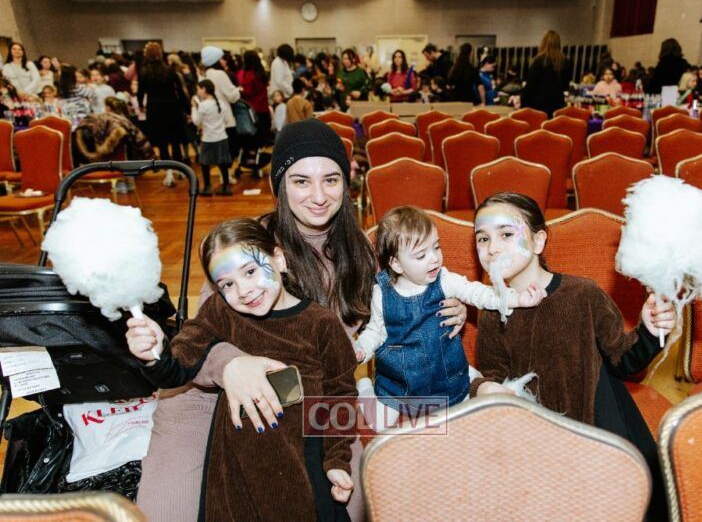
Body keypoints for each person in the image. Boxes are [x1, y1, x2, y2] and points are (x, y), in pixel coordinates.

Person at [134, 118, 470, 522]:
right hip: (210, 398)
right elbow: (202, 332)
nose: (318, 196)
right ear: (280, 186)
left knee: (350, 504)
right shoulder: (250, 248)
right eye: (301, 181)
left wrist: (446, 306)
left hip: (310, 399)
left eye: (330, 179)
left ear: (347, 183)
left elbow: (399, 303)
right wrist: (231, 365)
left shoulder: (360, 253)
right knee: (171, 513)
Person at [126, 218, 357, 521]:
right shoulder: (220, 313)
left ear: (279, 259)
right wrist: (154, 352)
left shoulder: (321, 324)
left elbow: (341, 395)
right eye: (228, 284)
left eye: (250, 271)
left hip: (304, 467)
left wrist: (337, 461)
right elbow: (176, 368)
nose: (244, 290)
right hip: (235, 475)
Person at [470, 192, 676, 520]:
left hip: (600, 435)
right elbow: (494, 375)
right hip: (537, 444)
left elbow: (625, 360)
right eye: (483, 238)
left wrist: (649, 331)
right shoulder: (493, 312)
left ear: (538, 241)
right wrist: (483, 387)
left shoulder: (583, 294)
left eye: (506, 234)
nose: (492, 248)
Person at [354, 206, 546, 424]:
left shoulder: (445, 280)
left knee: (472, 415)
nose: (434, 259)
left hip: (447, 379)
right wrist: (362, 348)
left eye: (436, 247)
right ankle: (365, 387)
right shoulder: (381, 294)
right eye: (421, 255)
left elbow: (479, 293)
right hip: (398, 385)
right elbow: (375, 331)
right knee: (379, 423)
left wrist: (515, 298)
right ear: (396, 263)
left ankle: (469, 374)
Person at [137, 41, 189, 186]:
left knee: (162, 143)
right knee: (176, 141)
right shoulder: (170, 71)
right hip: (172, 107)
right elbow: (180, 92)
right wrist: (187, 109)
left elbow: (140, 92)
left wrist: (141, 105)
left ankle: (168, 173)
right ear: (160, 54)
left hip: (155, 108)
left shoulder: (144, 72)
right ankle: (180, 170)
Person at [192, 79, 234, 196]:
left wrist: (194, 107)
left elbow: (196, 121)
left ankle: (207, 187)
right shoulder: (221, 103)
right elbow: (226, 120)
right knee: (222, 162)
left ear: (204, 89)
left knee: (205, 163)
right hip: (222, 137)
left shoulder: (203, 105)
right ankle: (226, 186)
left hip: (208, 138)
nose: (198, 91)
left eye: (199, 89)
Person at [202, 46, 240, 165]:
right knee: (228, 152)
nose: (224, 61)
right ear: (215, 60)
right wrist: (238, 90)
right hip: (225, 118)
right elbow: (232, 96)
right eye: (221, 59)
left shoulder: (204, 74)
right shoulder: (220, 74)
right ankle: (227, 173)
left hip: (210, 119)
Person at [521, 31, 571, 117]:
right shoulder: (565, 62)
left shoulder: (538, 61)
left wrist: (523, 105)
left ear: (544, 43)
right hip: (557, 105)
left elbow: (530, 86)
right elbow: (565, 86)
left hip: (538, 106)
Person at [238, 50, 272, 164]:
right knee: (261, 135)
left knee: (252, 136)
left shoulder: (249, 75)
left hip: (252, 110)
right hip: (263, 108)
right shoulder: (261, 73)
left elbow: (248, 92)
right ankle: (257, 157)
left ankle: (250, 158)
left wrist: (239, 91)